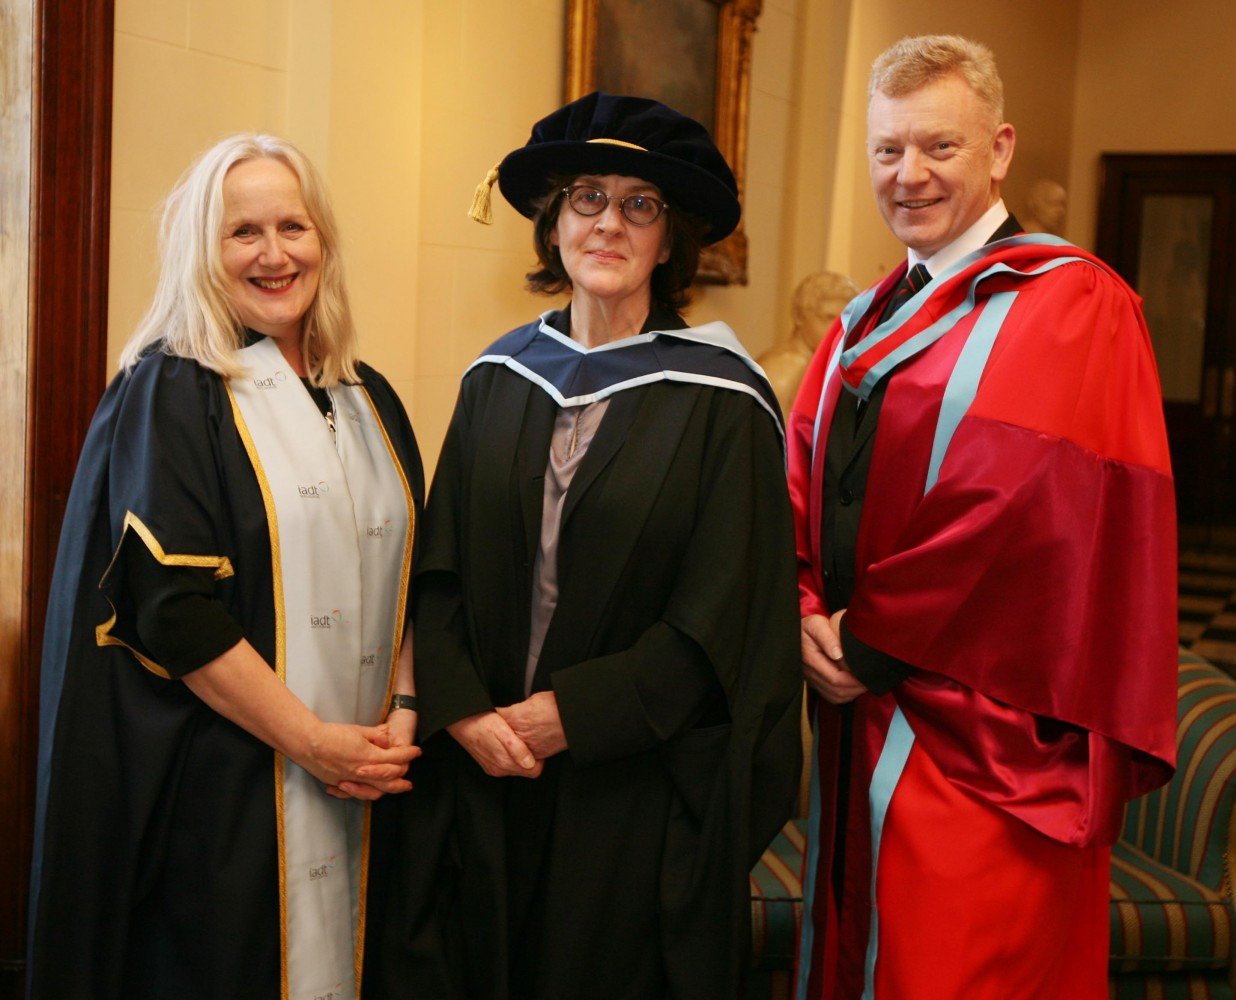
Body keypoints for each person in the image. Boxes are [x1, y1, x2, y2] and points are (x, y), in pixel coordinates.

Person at [372, 92, 802, 999]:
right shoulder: (498, 377)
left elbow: (727, 616)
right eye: (587, 198)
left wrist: (567, 715)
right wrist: (465, 711)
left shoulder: (724, 401)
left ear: (670, 239)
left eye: (639, 204)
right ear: (554, 224)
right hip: (484, 775)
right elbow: (438, 567)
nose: (610, 222)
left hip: (629, 791)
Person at [788, 35, 1177, 999]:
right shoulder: (863, 318)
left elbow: (1012, 506)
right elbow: (794, 468)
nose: (907, 175)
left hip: (984, 744)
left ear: (999, 149)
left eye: (939, 148)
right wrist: (800, 606)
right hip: (857, 716)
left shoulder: (1069, 302)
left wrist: (863, 639)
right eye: (887, 151)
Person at [27, 133, 424, 999]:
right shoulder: (173, 390)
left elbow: (407, 576)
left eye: (295, 226)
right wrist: (313, 743)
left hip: (368, 780)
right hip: (230, 792)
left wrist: (403, 705)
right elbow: (174, 610)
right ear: (202, 250)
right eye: (243, 232)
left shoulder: (369, 397)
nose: (275, 254)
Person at [758, 270, 860, 420]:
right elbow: (784, 440)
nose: (839, 330)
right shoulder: (786, 370)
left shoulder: (816, 364)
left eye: (845, 320)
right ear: (799, 316)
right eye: (828, 318)